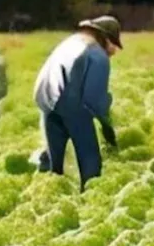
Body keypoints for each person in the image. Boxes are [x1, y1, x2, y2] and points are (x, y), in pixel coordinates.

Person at [32, 15, 122, 191]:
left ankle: (46, 192)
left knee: (54, 160)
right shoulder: (96, 54)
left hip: (45, 98)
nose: (112, 52)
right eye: (113, 44)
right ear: (105, 37)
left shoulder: (69, 42)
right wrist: (107, 126)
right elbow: (94, 100)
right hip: (70, 101)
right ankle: (90, 195)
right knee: (90, 159)